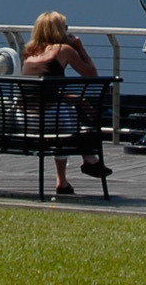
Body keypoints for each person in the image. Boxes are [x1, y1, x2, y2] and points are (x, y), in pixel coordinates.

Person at [20, 10, 110, 194]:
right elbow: (91, 74)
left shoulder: (29, 54)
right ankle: (89, 159)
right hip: (49, 119)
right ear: (59, 30)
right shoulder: (63, 50)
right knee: (64, 115)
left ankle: (65, 181)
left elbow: (43, 92)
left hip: (25, 120)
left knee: (63, 112)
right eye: (65, 27)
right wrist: (79, 47)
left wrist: (77, 99)